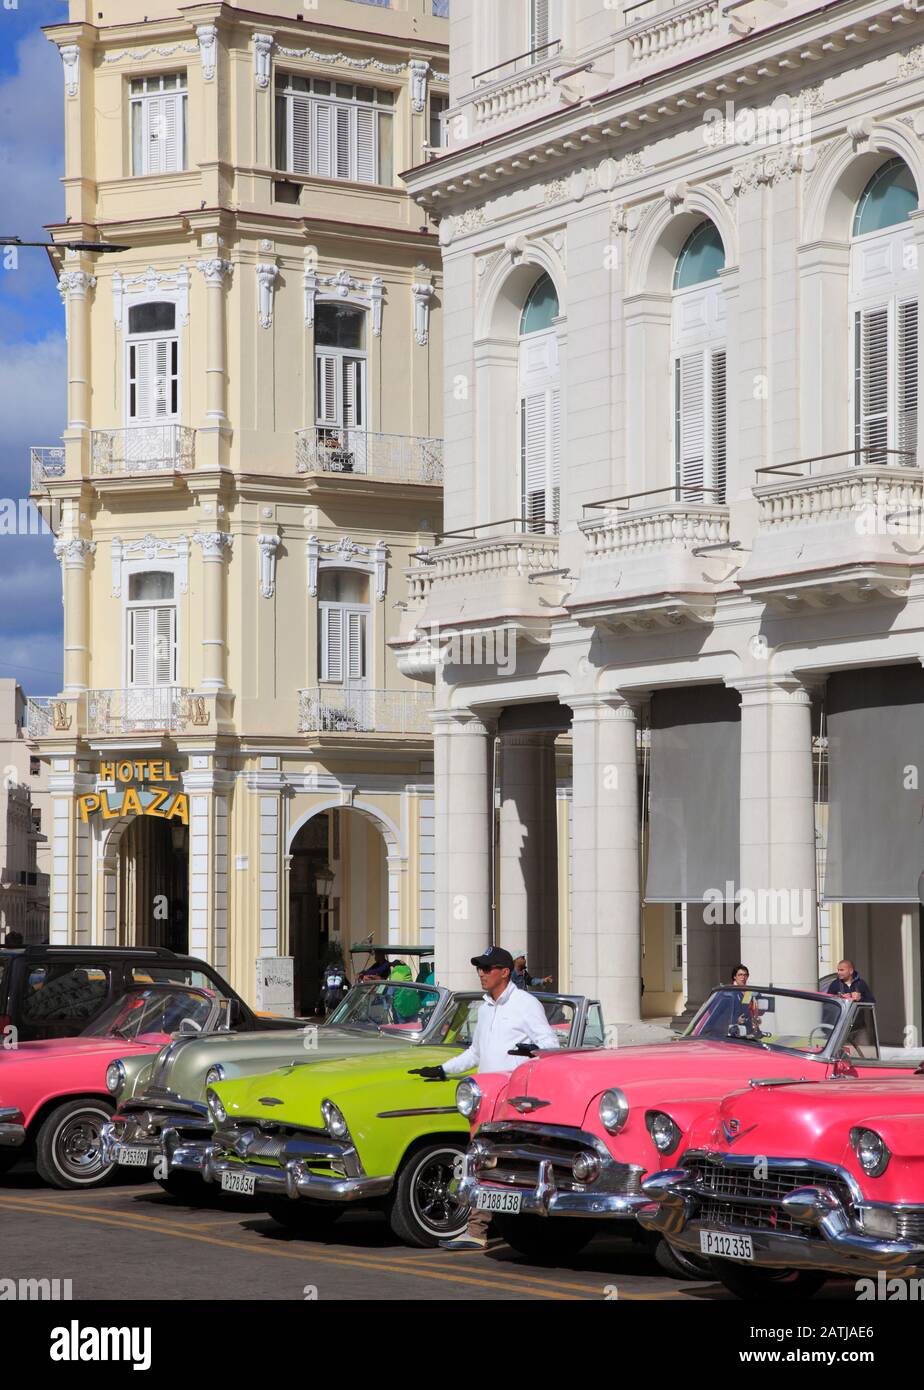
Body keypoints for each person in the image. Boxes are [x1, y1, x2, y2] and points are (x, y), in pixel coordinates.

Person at [408, 945, 560, 1252]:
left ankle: (503, 1228)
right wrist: (442, 1070)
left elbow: (550, 1045)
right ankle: (477, 1231)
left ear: (505, 972)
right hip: (485, 1100)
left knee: (508, 1164)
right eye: (479, 968)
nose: (481, 973)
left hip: (514, 1099)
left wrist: (527, 1052)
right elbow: (475, 1053)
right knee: (480, 1161)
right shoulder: (485, 1006)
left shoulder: (526, 1003)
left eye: (487, 969)